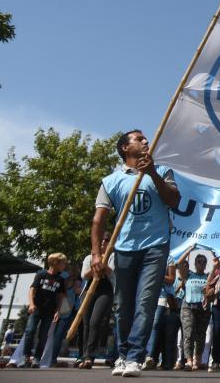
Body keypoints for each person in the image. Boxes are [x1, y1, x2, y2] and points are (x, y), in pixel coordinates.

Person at [90, 129, 180, 377]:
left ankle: (134, 357)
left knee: (146, 302)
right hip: (124, 248)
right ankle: (122, 354)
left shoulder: (163, 171)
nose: (146, 141)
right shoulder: (110, 181)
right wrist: (96, 254)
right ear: (125, 148)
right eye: (139, 139)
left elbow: (174, 201)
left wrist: (152, 173)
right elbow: (98, 220)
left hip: (156, 246)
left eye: (145, 138)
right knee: (123, 305)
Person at [22, 252, 67, 367]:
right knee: (30, 331)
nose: (65, 265)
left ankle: (36, 359)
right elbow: (32, 289)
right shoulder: (41, 274)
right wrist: (31, 304)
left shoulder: (61, 280)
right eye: (63, 263)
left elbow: (61, 297)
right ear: (55, 263)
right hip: (36, 308)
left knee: (43, 336)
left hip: (49, 311)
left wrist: (58, 311)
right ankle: (25, 357)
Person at [80, 239, 115, 369]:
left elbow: (113, 274)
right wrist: (95, 265)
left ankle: (89, 356)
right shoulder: (89, 258)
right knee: (86, 324)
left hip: (105, 291)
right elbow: (84, 276)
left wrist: (103, 264)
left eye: (106, 242)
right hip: (89, 291)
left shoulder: (113, 256)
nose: (102, 244)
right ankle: (83, 355)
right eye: (101, 242)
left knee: (95, 321)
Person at [178, 248, 211, 371]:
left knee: (201, 335)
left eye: (203, 262)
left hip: (203, 308)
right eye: (199, 261)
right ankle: (189, 361)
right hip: (188, 307)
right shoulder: (188, 275)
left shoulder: (208, 277)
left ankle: (198, 359)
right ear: (195, 263)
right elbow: (179, 263)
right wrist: (189, 250)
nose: (201, 264)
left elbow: (217, 266)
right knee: (189, 333)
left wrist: (214, 253)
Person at [143, 256, 178, 370]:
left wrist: (156, 275)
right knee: (143, 323)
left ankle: (149, 356)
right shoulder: (146, 254)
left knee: (155, 324)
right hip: (146, 293)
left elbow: (171, 279)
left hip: (161, 296)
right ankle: (140, 355)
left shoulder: (169, 259)